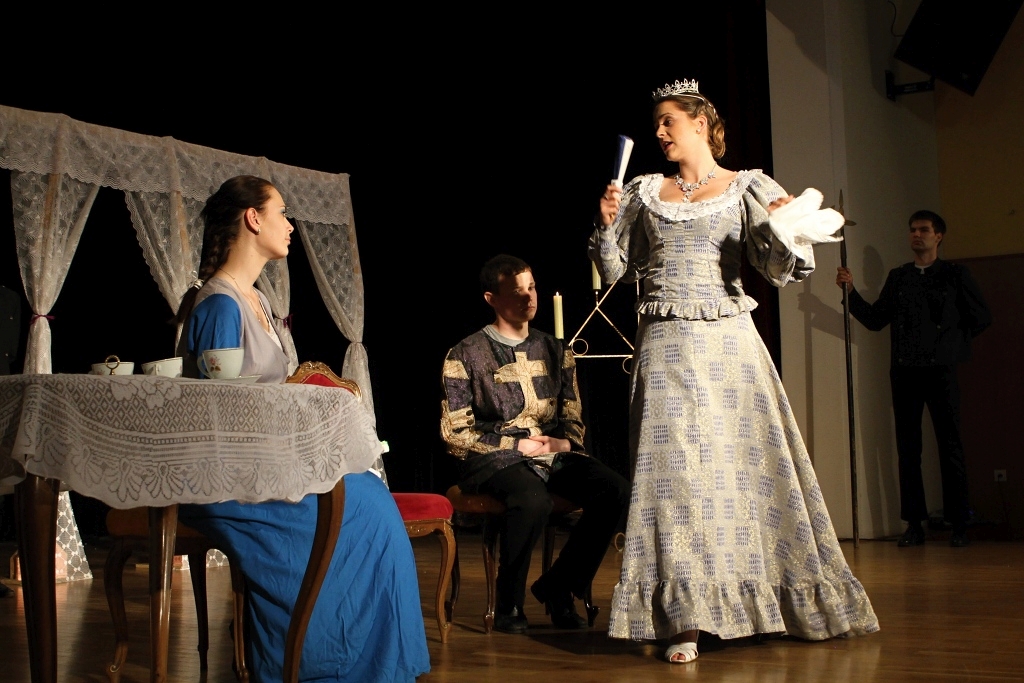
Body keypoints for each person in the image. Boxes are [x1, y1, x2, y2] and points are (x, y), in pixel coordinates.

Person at [590, 79, 879, 664]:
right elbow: (615, 272)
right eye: (657, 123)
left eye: (669, 120)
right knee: (671, 478)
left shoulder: (748, 186)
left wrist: (781, 227)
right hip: (665, 343)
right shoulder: (643, 191)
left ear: (700, 122)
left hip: (728, 345)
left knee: (739, 474)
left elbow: (779, 271)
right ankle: (684, 618)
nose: (659, 131)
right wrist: (604, 224)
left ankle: (760, 603)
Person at [174, 175, 430, 682]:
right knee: (367, 507)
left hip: (264, 467)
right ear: (253, 219)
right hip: (233, 481)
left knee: (371, 498)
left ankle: (373, 662)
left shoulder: (256, 300)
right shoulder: (221, 303)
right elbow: (219, 413)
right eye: (283, 213)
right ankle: (319, 661)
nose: (290, 225)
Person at [440, 254, 630, 634]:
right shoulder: (464, 355)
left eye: (532, 287)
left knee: (616, 490)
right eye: (517, 291)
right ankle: (509, 602)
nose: (529, 297)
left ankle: (559, 587)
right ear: (492, 299)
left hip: (550, 452)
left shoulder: (556, 350)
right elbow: (456, 433)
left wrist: (563, 443)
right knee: (532, 500)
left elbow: (572, 413)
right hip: (497, 457)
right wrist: (514, 447)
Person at [836, 210, 990, 548]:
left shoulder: (955, 275)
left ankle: (959, 522)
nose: (916, 235)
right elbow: (876, 319)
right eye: (912, 230)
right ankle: (914, 524)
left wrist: (950, 347)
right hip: (905, 372)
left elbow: (980, 317)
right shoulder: (900, 277)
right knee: (908, 449)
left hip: (941, 371)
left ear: (938, 236)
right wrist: (851, 292)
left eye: (923, 230)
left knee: (950, 446)